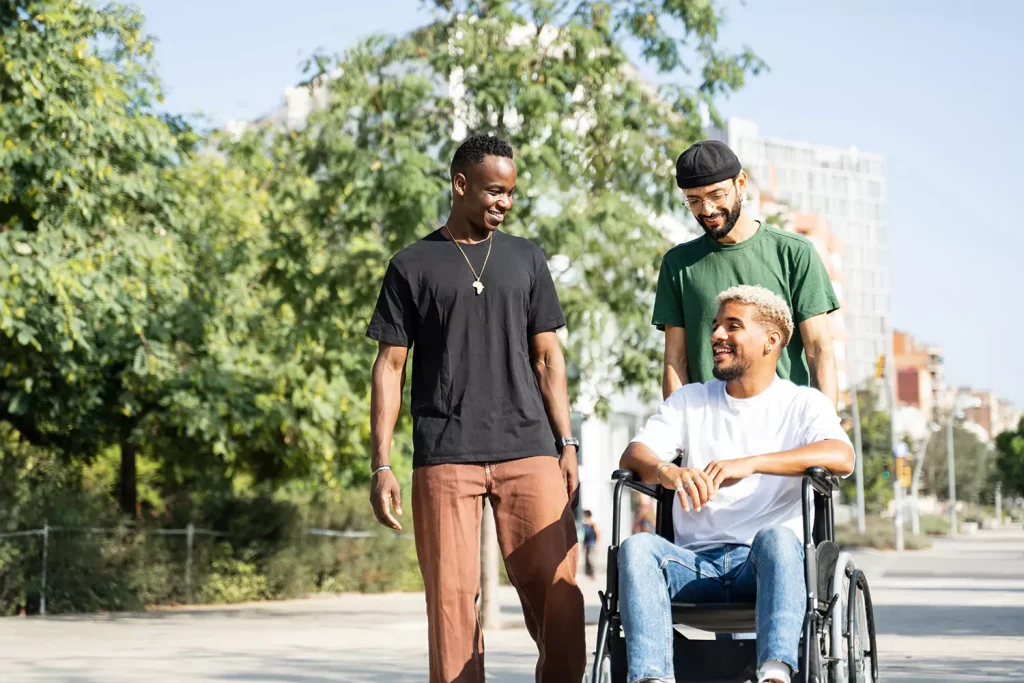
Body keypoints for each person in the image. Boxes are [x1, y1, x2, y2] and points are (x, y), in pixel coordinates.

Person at [366, 133, 586, 683]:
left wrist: (567, 443)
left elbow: (548, 359)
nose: (504, 203)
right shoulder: (411, 265)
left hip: (529, 447)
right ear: (460, 185)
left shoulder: (527, 258)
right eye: (494, 191)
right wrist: (382, 463)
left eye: (510, 194)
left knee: (560, 596)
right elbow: (389, 367)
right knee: (451, 608)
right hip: (445, 455)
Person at [617, 285, 855, 683]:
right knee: (637, 548)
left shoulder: (803, 404)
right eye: (715, 327)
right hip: (692, 564)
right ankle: (652, 677)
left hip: (762, 565)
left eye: (732, 326)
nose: (716, 337)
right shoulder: (690, 400)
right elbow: (634, 454)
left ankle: (775, 673)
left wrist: (754, 464)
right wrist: (666, 472)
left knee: (778, 539)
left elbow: (841, 456)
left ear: (771, 340)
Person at [654, 139, 840, 407]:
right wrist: (677, 433)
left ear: (740, 183)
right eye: (694, 200)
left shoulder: (795, 252)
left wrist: (825, 430)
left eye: (716, 195)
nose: (707, 210)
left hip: (785, 432)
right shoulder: (677, 264)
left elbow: (819, 350)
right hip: (711, 432)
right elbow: (675, 360)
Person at [582, 509, 601, 579]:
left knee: (591, 559)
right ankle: (589, 574)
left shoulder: (593, 525)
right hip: (587, 544)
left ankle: (593, 573)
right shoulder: (585, 525)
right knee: (587, 559)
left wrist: (597, 544)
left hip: (592, 544)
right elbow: (585, 535)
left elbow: (598, 534)